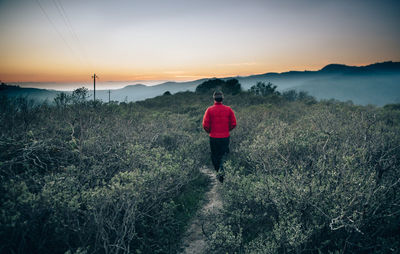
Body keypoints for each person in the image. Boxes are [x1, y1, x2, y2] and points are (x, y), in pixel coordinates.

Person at [202, 91, 237, 183]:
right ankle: (222, 172)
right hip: (225, 137)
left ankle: (219, 173)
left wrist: (210, 131)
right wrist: (226, 130)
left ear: (214, 99)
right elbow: (234, 123)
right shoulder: (228, 109)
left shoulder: (209, 110)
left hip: (213, 137)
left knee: (215, 156)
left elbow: (205, 125)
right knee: (224, 155)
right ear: (222, 99)